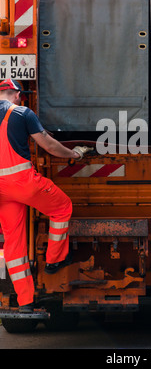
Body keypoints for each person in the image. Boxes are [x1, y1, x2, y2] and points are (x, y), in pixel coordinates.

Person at [0, 79, 91, 313]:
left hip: (1, 192)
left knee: (14, 242)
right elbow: (49, 146)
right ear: (18, 95)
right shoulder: (22, 113)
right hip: (23, 183)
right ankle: (53, 260)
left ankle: (25, 303)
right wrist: (75, 154)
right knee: (61, 207)